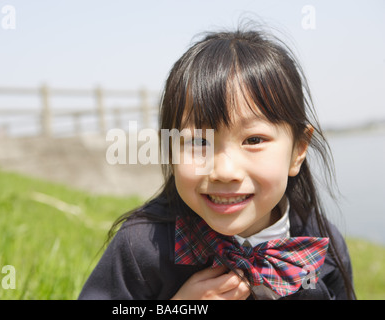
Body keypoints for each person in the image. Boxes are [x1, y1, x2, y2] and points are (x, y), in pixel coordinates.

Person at [78, 25, 356, 300]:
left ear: (298, 149)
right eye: (199, 142)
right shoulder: (141, 247)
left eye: (254, 140)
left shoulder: (322, 247)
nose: (224, 171)